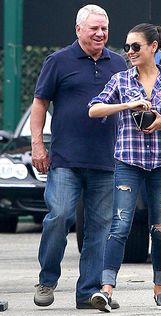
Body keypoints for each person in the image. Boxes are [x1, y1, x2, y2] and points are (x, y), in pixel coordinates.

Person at [88, 23, 161, 312]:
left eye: (136, 47)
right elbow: (93, 109)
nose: (130, 52)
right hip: (128, 162)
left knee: (160, 228)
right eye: (127, 47)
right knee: (120, 225)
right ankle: (106, 290)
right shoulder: (121, 81)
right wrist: (127, 105)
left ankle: (160, 290)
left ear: (153, 47)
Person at [30, 4, 127, 310]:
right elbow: (39, 104)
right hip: (65, 160)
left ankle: (88, 292)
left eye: (105, 29)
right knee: (59, 217)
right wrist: (37, 145)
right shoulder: (58, 61)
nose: (100, 34)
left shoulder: (119, 64)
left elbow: (129, 106)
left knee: (99, 228)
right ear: (78, 30)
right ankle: (47, 279)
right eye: (94, 28)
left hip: (106, 161)